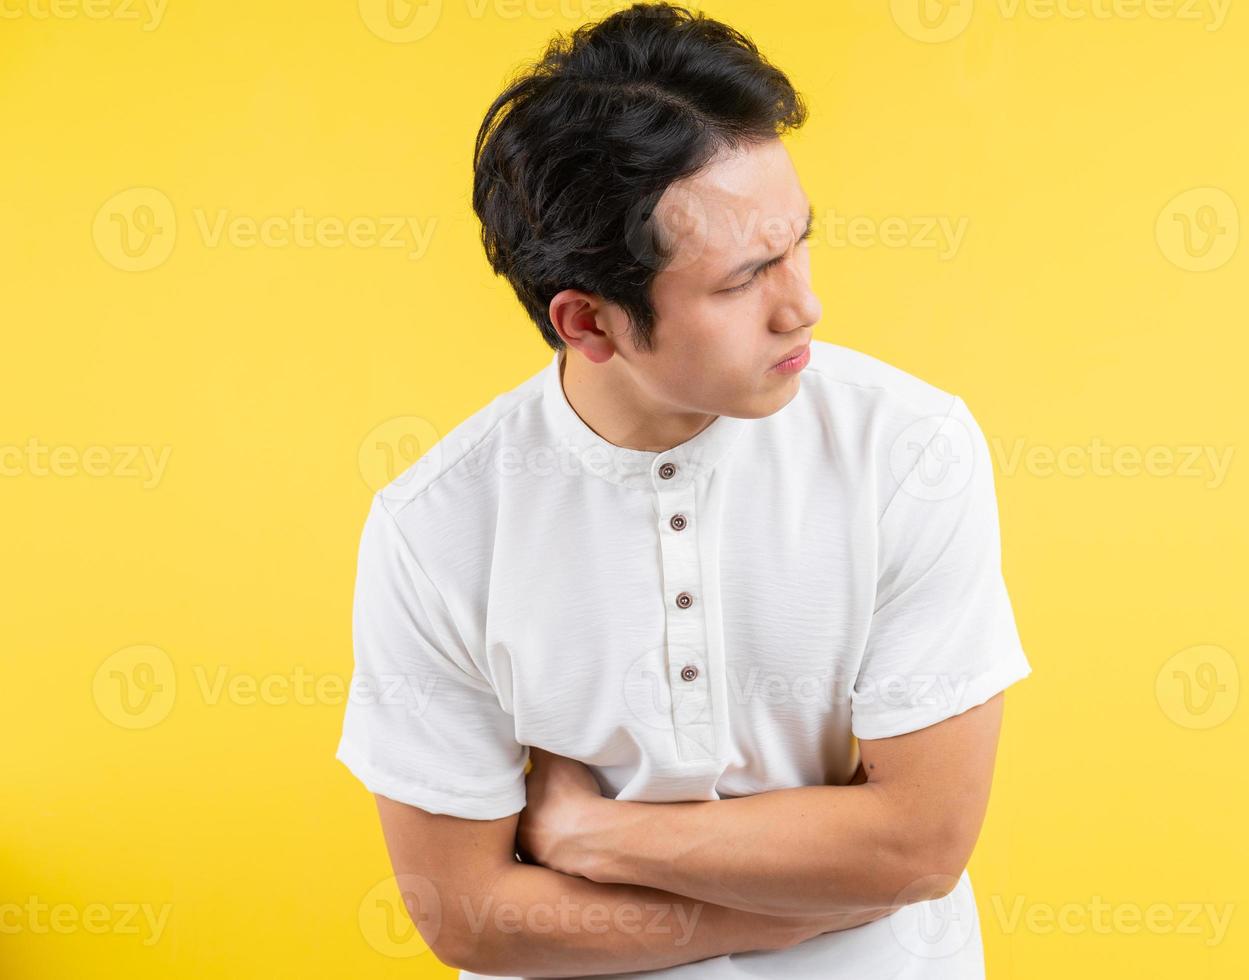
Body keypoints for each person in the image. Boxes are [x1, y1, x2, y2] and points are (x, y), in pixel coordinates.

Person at [335, 4, 1032, 976]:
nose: (804, 303)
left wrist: (588, 834)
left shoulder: (907, 447)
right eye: (746, 277)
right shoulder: (438, 526)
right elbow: (467, 912)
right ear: (589, 323)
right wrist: (786, 912)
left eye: (799, 241)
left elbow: (919, 842)